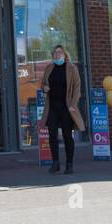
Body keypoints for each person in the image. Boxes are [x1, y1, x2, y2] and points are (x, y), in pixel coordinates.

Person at [39, 45, 84, 174]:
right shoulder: (49, 68)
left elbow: (77, 87)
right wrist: (45, 88)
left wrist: (73, 104)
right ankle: (55, 163)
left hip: (66, 107)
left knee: (67, 135)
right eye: (55, 53)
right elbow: (43, 83)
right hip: (52, 106)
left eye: (59, 52)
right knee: (52, 135)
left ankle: (69, 164)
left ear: (64, 54)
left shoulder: (71, 68)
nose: (57, 54)